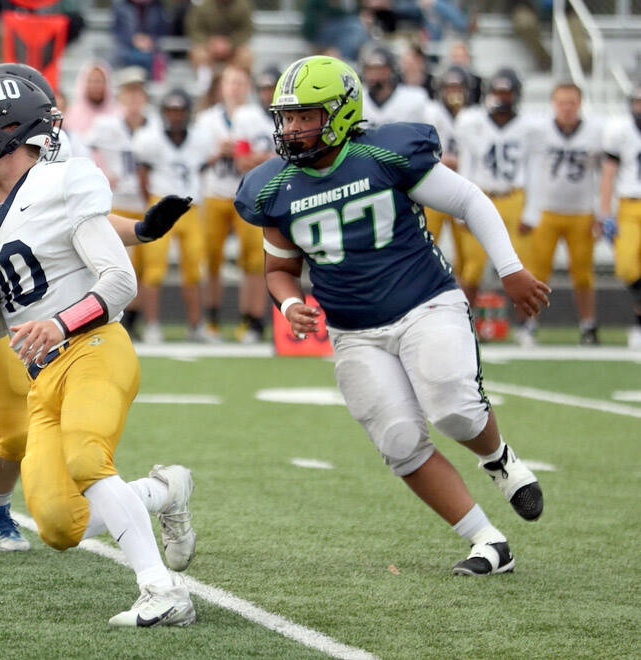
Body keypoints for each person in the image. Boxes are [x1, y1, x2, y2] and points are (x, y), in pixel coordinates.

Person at [235, 55, 548, 576]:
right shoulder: (272, 188)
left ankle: (498, 459)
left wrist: (510, 268)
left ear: (338, 113)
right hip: (353, 331)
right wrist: (291, 304)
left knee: (455, 410)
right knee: (400, 441)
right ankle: (488, 542)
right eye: (286, 118)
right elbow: (278, 269)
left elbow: (469, 200)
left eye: (303, 117)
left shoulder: (384, 152)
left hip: (425, 303)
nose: (290, 128)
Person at [0, 62, 191, 546]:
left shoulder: (52, 158)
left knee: (14, 429)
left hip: (0, 295)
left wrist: (142, 230)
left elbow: (86, 220)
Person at [0, 74, 196, 626]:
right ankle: (163, 492)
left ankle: (161, 590)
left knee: (85, 456)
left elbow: (119, 281)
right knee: (58, 524)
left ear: (10, 131)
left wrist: (61, 321)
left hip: (96, 346)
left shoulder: (65, 181)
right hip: (41, 376)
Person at [454, 68, 538, 325]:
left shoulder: (530, 127)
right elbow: (466, 166)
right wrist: (461, 209)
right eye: (498, 91)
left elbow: (534, 170)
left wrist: (531, 211)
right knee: (472, 268)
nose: (502, 97)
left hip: (514, 196)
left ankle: (526, 325)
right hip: (481, 196)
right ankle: (465, 324)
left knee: (520, 265)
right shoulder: (472, 122)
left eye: (507, 92)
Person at [523, 83, 602, 345]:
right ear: (553, 104)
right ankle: (530, 325)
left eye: (571, 102)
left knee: (583, 274)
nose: (566, 108)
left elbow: (602, 174)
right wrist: (530, 209)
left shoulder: (595, 132)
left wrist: (600, 212)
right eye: (561, 102)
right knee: (536, 272)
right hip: (547, 210)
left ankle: (588, 325)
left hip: (581, 212)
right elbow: (530, 169)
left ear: (580, 104)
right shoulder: (539, 131)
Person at [196, 65, 267, 343]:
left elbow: (272, 156)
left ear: (247, 86)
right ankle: (211, 320)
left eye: (240, 82)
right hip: (215, 193)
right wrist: (218, 153)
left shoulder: (258, 118)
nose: (235, 88)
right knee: (211, 259)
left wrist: (244, 155)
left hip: (247, 194)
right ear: (221, 87)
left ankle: (252, 321)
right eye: (230, 82)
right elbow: (196, 159)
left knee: (252, 261)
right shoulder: (206, 120)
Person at [133, 89, 208, 343]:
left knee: (195, 268)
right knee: (154, 269)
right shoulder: (150, 138)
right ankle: (152, 325)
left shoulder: (199, 139)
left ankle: (196, 326)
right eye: (171, 111)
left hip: (190, 208)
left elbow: (204, 168)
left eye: (180, 111)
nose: (176, 116)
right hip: (162, 204)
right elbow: (143, 175)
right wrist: (151, 207)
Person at [86, 67, 152, 338]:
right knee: (121, 264)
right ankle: (122, 317)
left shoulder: (155, 125)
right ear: (122, 96)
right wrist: (102, 173)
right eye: (129, 93)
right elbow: (86, 150)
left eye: (138, 93)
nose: (134, 99)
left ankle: (138, 319)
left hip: (146, 201)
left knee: (149, 267)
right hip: (119, 203)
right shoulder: (107, 125)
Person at [600, 83, 641, 350]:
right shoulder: (620, 131)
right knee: (627, 266)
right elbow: (609, 174)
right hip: (629, 205)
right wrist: (606, 213)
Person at [422, 65, 470, 281]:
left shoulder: (474, 116)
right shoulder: (430, 111)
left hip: (463, 186)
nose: (454, 92)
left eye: (458, 87)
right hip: (434, 187)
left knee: (467, 256)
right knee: (426, 245)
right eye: (449, 87)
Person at [186, 0, 254, 93]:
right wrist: (210, 43)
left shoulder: (242, 5)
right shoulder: (204, 5)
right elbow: (195, 29)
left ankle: (238, 85)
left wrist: (231, 43)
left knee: (245, 56)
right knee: (199, 53)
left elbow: (247, 30)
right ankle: (204, 85)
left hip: (233, 49)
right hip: (209, 49)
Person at [360, 45, 429, 126]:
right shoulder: (358, 99)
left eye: (380, 69)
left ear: (391, 70)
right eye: (370, 69)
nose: (374, 75)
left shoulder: (414, 97)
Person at [62, 61, 118, 143]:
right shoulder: (70, 117)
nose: (95, 86)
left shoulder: (118, 115)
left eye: (98, 81)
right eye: (91, 81)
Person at [113, 0, 167, 79]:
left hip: (152, 48)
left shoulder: (158, 8)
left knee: (156, 59)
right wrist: (133, 40)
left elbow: (163, 30)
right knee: (122, 56)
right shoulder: (121, 8)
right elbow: (117, 31)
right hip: (127, 46)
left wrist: (151, 40)